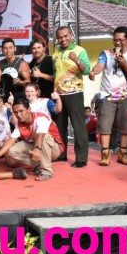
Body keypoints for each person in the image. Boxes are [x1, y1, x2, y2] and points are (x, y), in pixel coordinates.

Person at [89, 26, 127, 166]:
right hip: (107, 95)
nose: (117, 42)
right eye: (115, 39)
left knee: (126, 126)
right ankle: (105, 154)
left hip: (126, 96)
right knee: (105, 126)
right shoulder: (106, 53)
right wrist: (94, 72)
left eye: (121, 40)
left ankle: (123, 153)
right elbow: (100, 65)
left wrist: (124, 64)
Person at [0, 98, 65, 181]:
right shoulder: (19, 123)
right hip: (36, 145)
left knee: (45, 136)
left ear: (29, 109)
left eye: (21, 111)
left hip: (54, 148)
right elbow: (11, 140)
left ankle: (46, 171)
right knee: (11, 152)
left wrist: (37, 149)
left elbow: (40, 135)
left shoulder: (41, 118)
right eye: (16, 112)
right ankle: (39, 164)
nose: (18, 114)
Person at [52, 26, 91, 167]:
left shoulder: (79, 50)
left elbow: (86, 70)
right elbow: (55, 73)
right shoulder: (56, 53)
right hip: (59, 95)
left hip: (74, 93)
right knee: (60, 126)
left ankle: (81, 158)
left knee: (78, 126)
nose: (63, 39)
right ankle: (61, 154)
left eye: (65, 36)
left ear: (71, 36)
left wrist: (76, 60)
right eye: (60, 37)